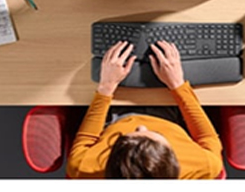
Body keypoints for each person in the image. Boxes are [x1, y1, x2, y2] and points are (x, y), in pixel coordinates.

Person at [67, 40, 223, 179]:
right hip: (172, 117)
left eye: (122, 140)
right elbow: (206, 137)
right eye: (158, 135)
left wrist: (106, 86)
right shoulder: (205, 167)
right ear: (173, 156)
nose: (141, 126)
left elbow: (86, 138)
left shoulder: (83, 168)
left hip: (115, 117)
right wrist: (177, 84)